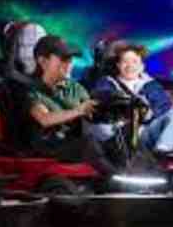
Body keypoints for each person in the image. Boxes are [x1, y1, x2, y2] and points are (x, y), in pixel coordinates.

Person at [25, 34, 119, 176]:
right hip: (47, 145)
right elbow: (44, 118)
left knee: (115, 138)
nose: (69, 64)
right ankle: (115, 178)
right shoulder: (32, 91)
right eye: (63, 59)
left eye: (70, 59)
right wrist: (78, 110)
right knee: (88, 143)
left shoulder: (74, 88)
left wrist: (110, 109)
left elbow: (90, 109)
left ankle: (138, 173)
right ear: (43, 61)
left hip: (74, 142)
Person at [92, 41, 173, 154]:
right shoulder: (106, 83)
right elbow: (102, 100)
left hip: (144, 133)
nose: (130, 66)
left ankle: (162, 151)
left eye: (134, 62)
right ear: (118, 65)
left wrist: (147, 112)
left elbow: (164, 108)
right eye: (125, 62)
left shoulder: (151, 85)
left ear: (142, 67)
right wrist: (125, 103)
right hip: (120, 135)